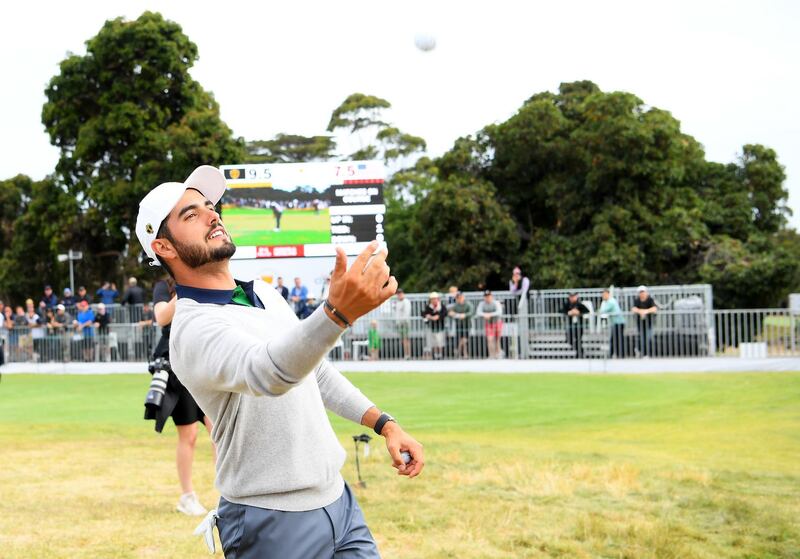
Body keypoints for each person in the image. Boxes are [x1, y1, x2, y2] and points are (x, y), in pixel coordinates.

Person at [135, 165, 423, 557]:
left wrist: (384, 423)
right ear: (163, 247)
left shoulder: (264, 293)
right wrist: (336, 313)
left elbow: (315, 372)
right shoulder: (192, 326)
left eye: (209, 205)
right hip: (269, 519)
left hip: (338, 501)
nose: (212, 214)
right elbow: (269, 372)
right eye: (191, 214)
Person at [147, 275, 216, 515]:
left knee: (218, 429)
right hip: (174, 364)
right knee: (189, 434)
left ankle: (230, 492)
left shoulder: (207, 280)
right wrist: (187, 289)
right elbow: (162, 316)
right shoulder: (163, 287)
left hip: (203, 360)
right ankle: (187, 497)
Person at [598, 288, 626, 358]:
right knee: (615, 339)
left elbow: (603, 310)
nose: (603, 296)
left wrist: (600, 309)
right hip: (615, 323)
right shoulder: (609, 301)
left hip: (618, 323)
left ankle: (618, 354)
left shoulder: (611, 301)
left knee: (617, 339)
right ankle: (615, 354)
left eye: (604, 295)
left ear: (608, 294)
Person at [561, 292, 590, 358]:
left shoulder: (579, 304)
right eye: (571, 296)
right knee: (569, 339)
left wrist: (579, 312)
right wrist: (569, 312)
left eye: (573, 296)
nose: (572, 298)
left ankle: (579, 354)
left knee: (578, 340)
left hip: (579, 326)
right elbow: (561, 310)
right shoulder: (567, 304)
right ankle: (580, 351)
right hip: (570, 326)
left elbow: (587, 311)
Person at [476, 290, 503, 358]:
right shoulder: (482, 303)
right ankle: (491, 355)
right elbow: (478, 312)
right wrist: (485, 315)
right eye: (486, 296)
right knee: (490, 339)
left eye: (488, 296)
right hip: (489, 324)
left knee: (497, 339)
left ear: (491, 296)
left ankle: (498, 354)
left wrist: (489, 315)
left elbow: (499, 312)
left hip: (497, 322)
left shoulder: (496, 303)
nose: (487, 298)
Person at [632, 285, 658, 357]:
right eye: (640, 292)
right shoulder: (637, 300)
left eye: (643, 292)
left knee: (649, 338)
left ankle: (648, 353)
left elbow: (654, 308)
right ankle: (643, 353)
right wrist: (640, 311)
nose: (642, 293)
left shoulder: (650, 299)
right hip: (640, 323)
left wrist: (645, 311)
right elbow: (633, 309)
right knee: (642, 339)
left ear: (646, 292)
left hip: (649, 323)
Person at [421, 292, 447, 359]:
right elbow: (423, 314)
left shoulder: (441, 306)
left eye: (435, 299)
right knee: (433, 342)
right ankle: (434, 354)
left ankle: (441, 354)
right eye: (432, 299)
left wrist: (438, 316)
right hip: (431, 327)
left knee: (440, 342)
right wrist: (428, 316)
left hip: (440, 327)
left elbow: (444, 313)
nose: (434, 300)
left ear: (438, 299)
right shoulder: (428, 307)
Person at [448, 292, 474, 358]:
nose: (459, 299)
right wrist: (451, 313)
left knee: (464, 339)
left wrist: (464, 315)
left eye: (460, 297)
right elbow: (450, 312)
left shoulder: (468, 304)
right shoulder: (455, 305)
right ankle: (464, 354)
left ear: (463, 297)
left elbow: (471, 312)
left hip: (467, 324)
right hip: (458, 325)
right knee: (460, 339)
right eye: (458, 298)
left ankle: (458, 350)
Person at [393, 288, 412, 360]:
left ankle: (408, 355)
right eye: (398, 294)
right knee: (403, 340)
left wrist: (402, 321)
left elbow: (406, 313)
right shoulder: (397, 302)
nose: (399, 295)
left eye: (400, 293)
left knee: (406, 339)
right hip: (399, 323)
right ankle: (406, 355)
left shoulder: (406, 301)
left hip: (405, 323)